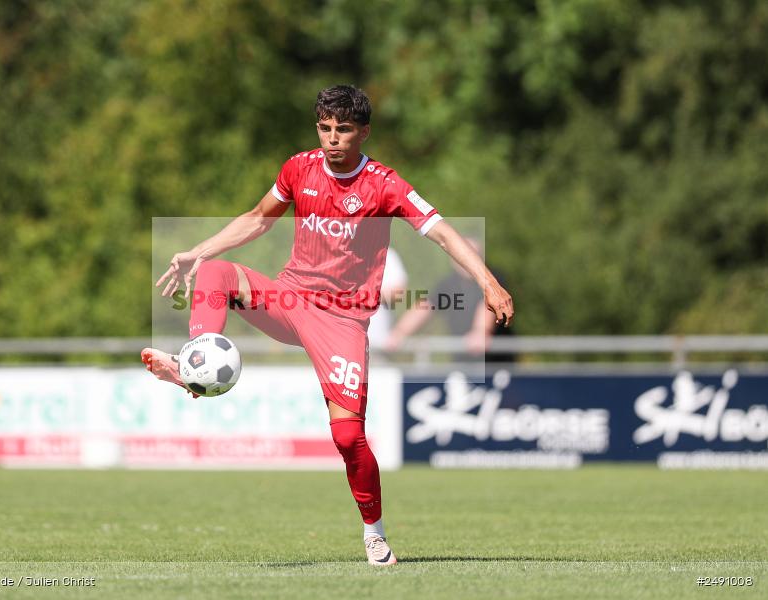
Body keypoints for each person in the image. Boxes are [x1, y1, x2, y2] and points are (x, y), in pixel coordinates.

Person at [142, 85, 513, 565]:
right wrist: (198, 251)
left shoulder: (384, 184)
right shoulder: (300, 168)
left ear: (363, 132)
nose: (332, 139)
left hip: (342, 321)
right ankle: (196, 363)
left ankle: (374, 534)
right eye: (325, 127)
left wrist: (487, 282)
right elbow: (258, 218)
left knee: (347, 438)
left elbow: (441, 230)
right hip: (291, 298)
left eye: (343, 130)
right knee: (214, 271)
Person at [385, 238, 516, 363]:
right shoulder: (448, 284)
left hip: (497, 362)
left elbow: (488, 305)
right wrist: (399, 332)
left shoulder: (493, 279)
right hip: (463, 361)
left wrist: (481, 330)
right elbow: (425, 307)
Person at [366, 247, 408, 349]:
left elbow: (399, 293)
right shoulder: (343, 252)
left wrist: (362, 295)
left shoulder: (388, 255)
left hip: (379, 344)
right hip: (345, 342)